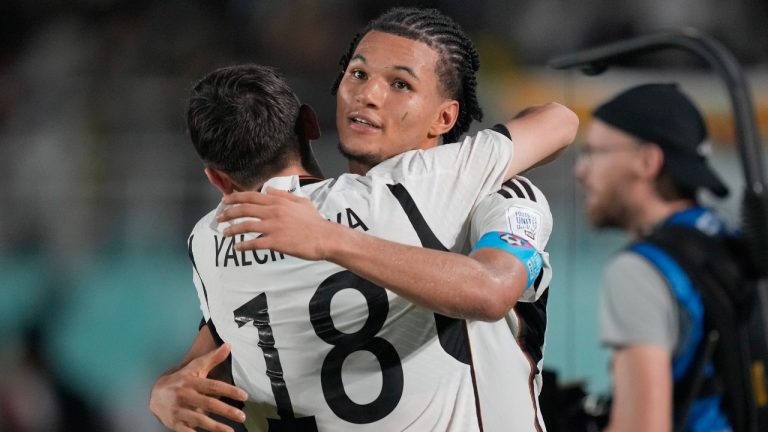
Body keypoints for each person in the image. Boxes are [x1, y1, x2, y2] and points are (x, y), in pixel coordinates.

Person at [150, 7, 575, 432]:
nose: (368, 95)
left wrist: (331, 240)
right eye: (357, 74)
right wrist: (167, 389)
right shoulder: (295, 220)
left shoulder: (498, 195)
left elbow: (493, 288)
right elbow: (218, 352)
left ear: (444, 117)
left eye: (400, 84)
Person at [574, 83, 736, 432]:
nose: (581, 170)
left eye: (595, 152)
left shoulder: (641, 270)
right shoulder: (729, 242)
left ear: (648, 161)